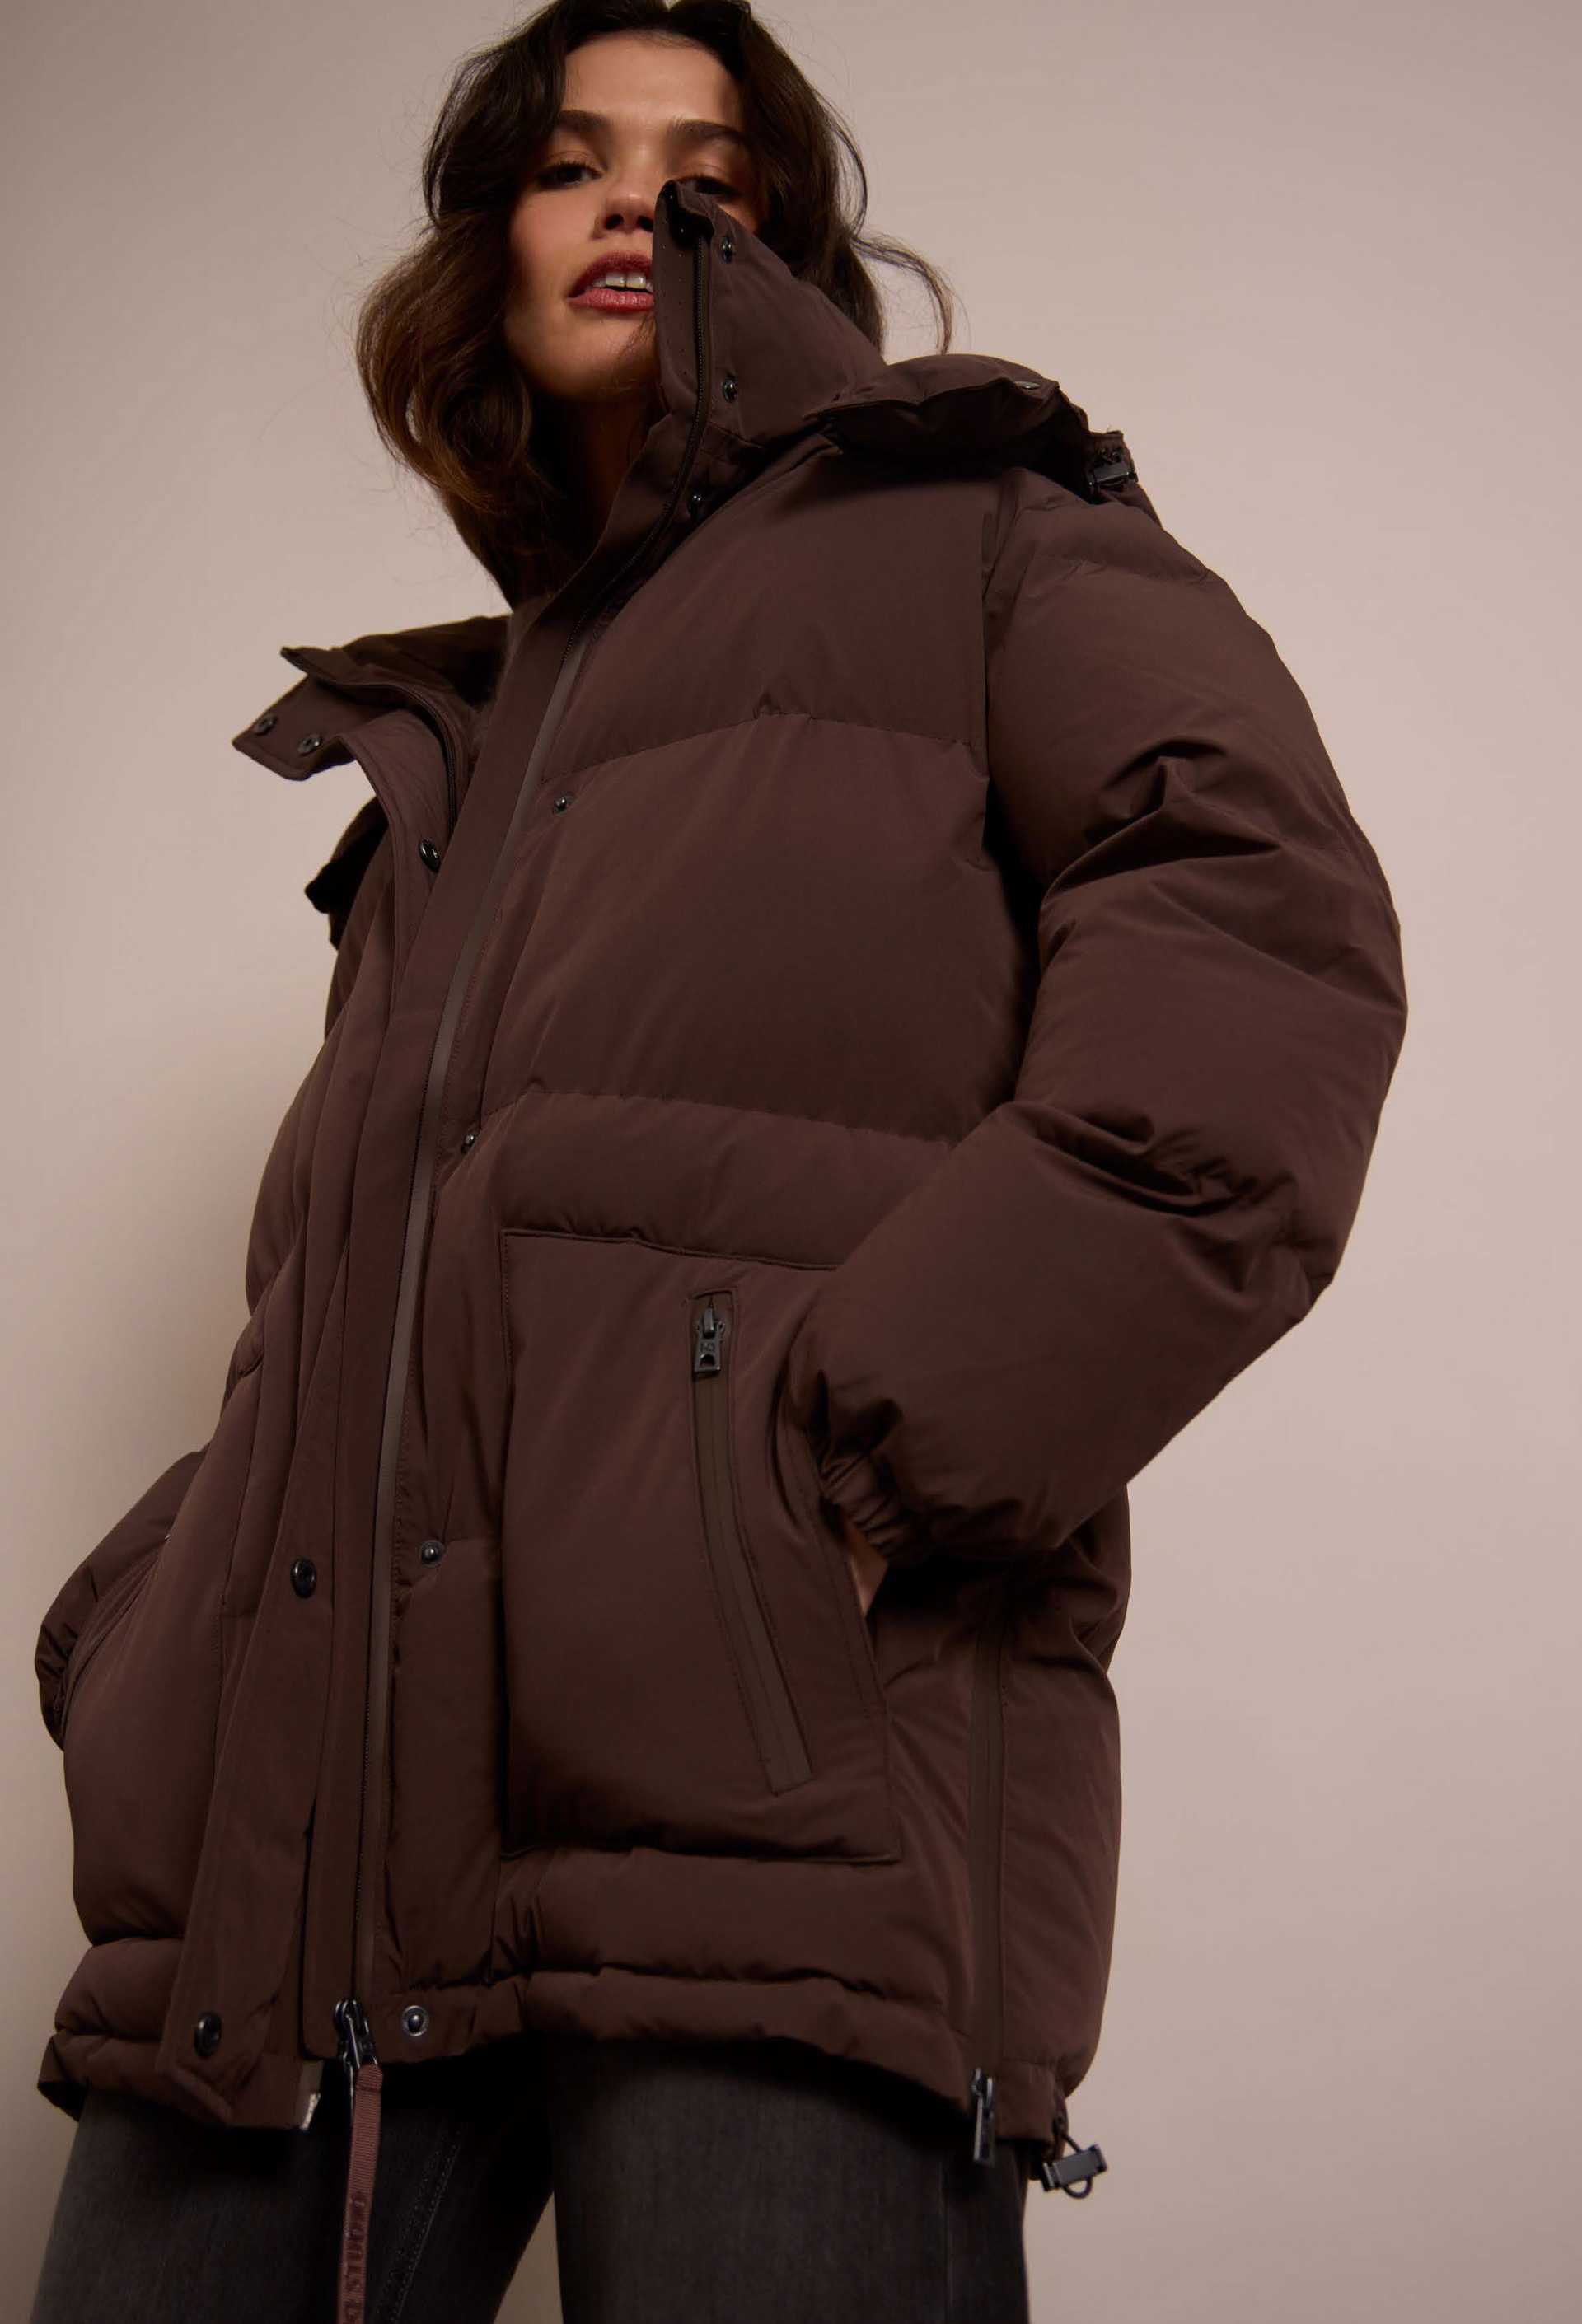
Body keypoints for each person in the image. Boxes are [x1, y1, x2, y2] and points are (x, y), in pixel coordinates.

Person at [25, 2, 1408, 2320]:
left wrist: (846, 1468)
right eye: (571, 160)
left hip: (779, 1818)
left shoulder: (989, 536)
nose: (637, 205)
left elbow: (1261, 959)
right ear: (486, 247)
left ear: (786, 251)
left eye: (710, 172)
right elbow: (378, 1291)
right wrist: (164, 1611)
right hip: (309, 1836)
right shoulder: (461, 742)